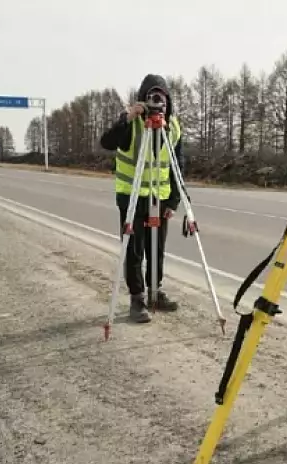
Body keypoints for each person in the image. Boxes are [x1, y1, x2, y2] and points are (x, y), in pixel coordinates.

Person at [100, 74, 185, 323]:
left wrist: (174, 200)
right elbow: (107, 142)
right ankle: (137, 300)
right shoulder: (132, 123)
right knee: (134, 252)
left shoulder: (174, 127)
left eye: (162, 97)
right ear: (143, 100)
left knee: (156, 249)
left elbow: (177, 165)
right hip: (132, 197)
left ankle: (155, 293)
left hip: (159, 197)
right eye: (153, 97)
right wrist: (128, 117)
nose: (159, 103)